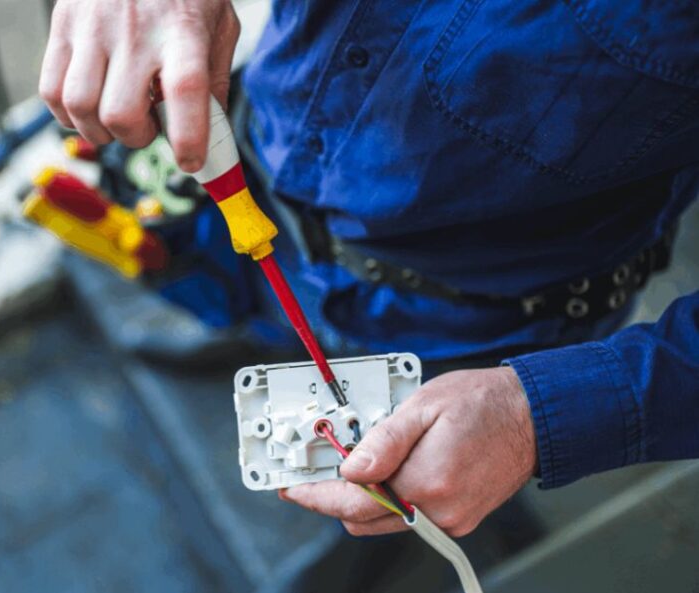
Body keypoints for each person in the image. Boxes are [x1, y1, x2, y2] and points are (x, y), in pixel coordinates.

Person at [39, 0, 699, 539]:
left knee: (378, 478)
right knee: (260, 313)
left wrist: (531, 415)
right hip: (266, 160)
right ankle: (260, 337)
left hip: (477, 327)